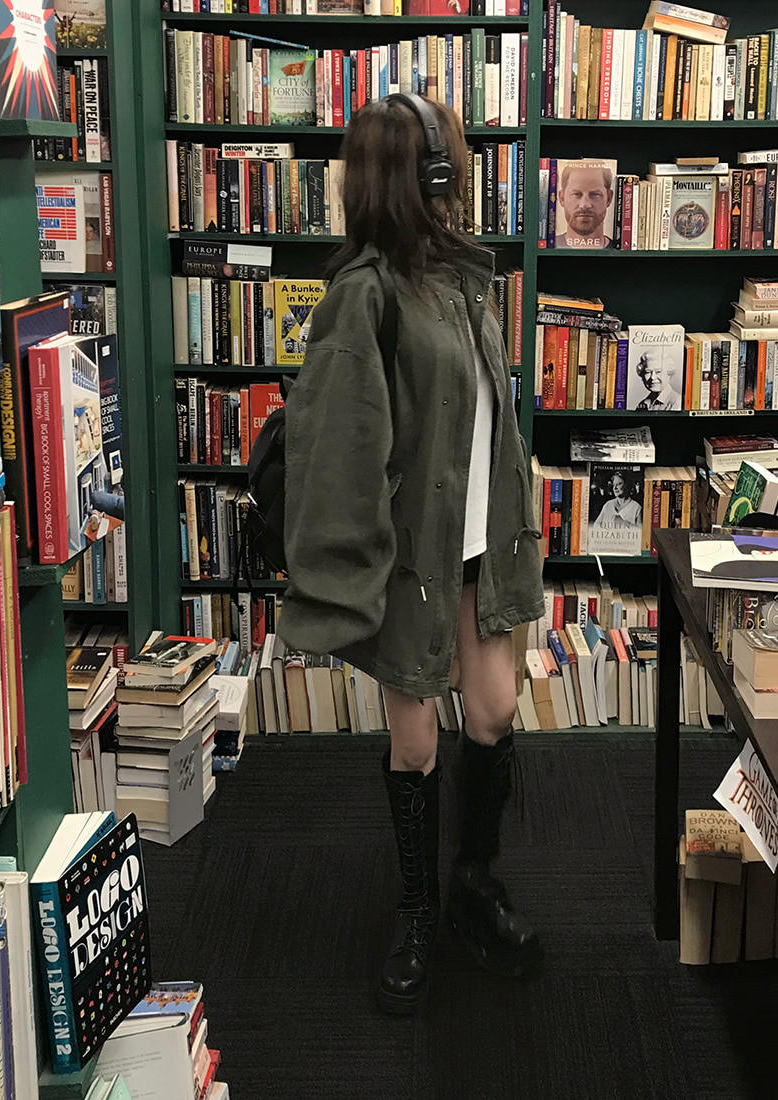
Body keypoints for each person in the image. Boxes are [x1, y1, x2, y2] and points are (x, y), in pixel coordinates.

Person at [279, 93, 546, 1015]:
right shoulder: (363, 295)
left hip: (480, 546)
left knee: (494, 711)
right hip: (410, 559)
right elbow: (338, 450)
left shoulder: (462, 274)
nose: (456, 176)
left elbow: (490, 415)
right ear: (415, 175)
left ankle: (473, 885)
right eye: (445, 163)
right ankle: (419, 909)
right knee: (417, 739)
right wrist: (343, 581)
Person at [557, 161, 614, 248]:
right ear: (562, 198)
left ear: (609, 198)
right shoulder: (548, 246)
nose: (584, 205)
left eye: (595, 194)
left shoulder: (621, 250)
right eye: (576, 194)